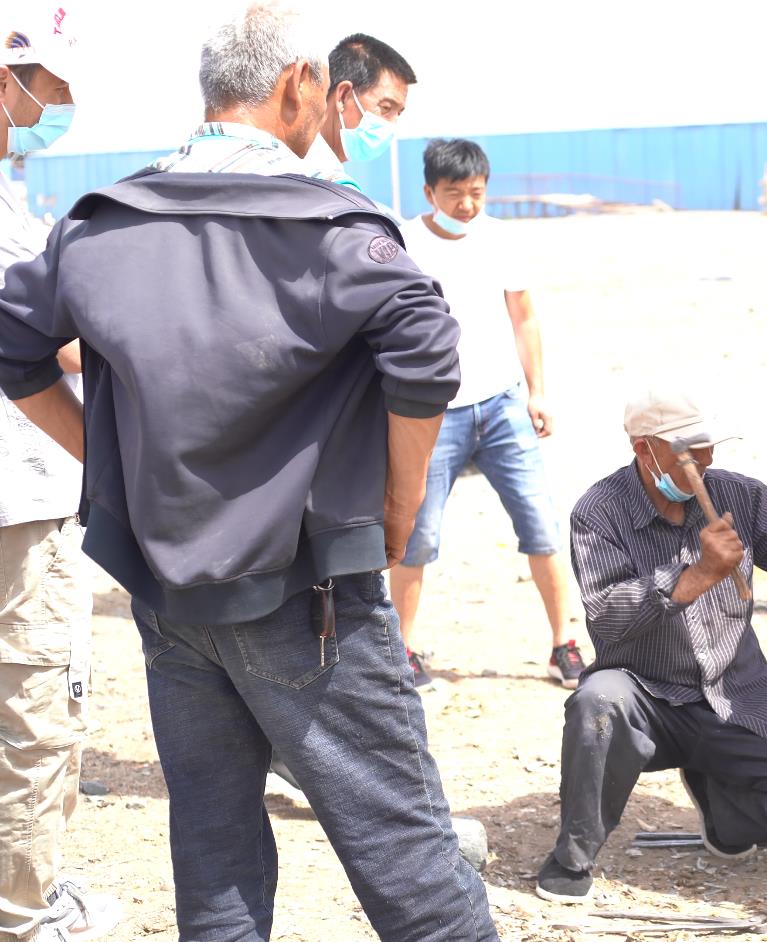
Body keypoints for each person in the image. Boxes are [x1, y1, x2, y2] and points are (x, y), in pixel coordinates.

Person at [0, 4, 498, 938]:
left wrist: (104, 470)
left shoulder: (105, 222)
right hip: (311, 596)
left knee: (215, 849)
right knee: (408, 854)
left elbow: (12, 341)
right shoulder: (332, 224)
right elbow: (429, 351)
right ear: (298, 85)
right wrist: (399, 506)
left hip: (165, 590)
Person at [535, 389, 767, 902]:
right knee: (597, 701)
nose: (705, 462)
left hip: (733, 692)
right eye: (688, 453)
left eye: (706, 448)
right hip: (645, 694)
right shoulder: (599, 512)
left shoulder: (733, 493)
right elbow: (608, 616)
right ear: (645, 450)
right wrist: (696, 575)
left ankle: (726, 818)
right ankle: (573, 858)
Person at [0, 15, 124, 942]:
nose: (63, 110)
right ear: (9, 83)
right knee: (37, 705)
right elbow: (61, 350)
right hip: (18, 498)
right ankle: (24, 908)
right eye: (56, 90)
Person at [391, 138, 581, 688]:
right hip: (434, 414)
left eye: (476, 193)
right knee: (415, 538)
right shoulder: (403, 242)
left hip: (502, 407)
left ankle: (563, 644)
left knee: (542, 528)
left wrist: (537, 391)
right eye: (454, 195)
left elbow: (524, 316)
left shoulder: (499, 238)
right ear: (429, 192)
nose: (467, 206)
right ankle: (400, 650)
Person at [307, 32, 414, 176]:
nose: (392, 125)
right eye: (386, 108)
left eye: (399, 113)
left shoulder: (331, 175)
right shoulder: (293, 169)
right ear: (343, 96)